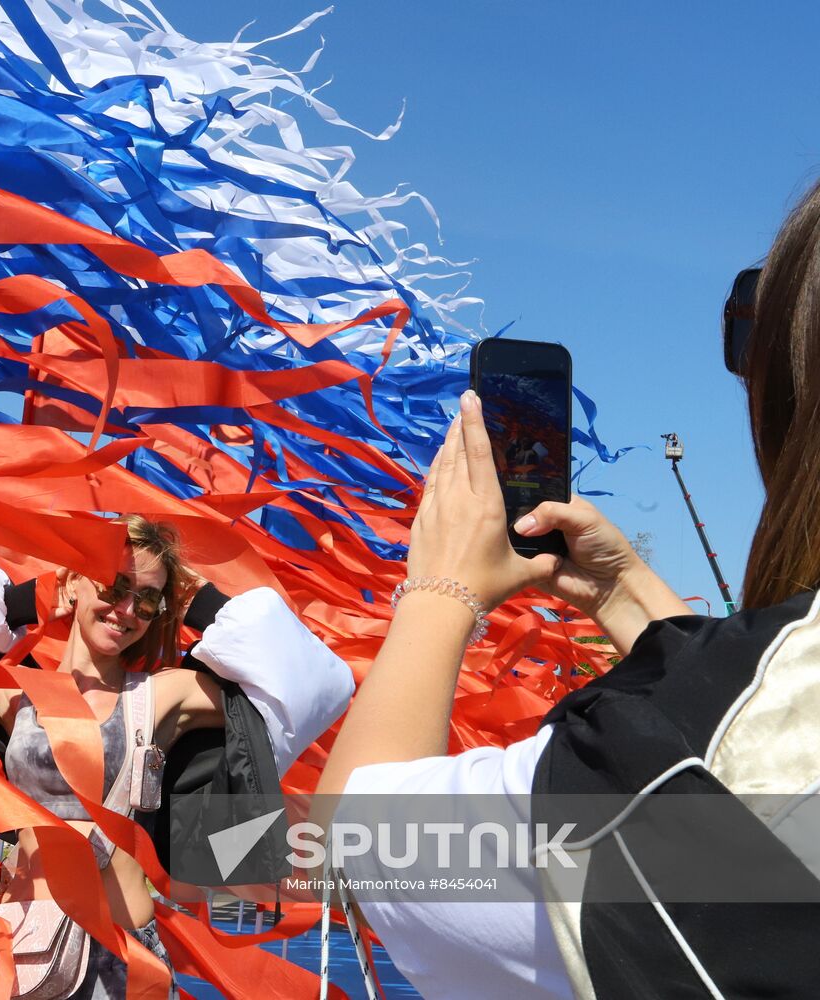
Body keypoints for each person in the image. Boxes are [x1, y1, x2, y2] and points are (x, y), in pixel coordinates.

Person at [316, 178, 820, 998]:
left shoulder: (632, 781)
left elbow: (357, 845)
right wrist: (623, 595)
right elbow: (750, 735)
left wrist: (441, 588)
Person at [0, 515, 352, 998]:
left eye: (147, 599)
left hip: (120, 962)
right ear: (73, 585)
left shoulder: (164, 697)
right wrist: (30, 598)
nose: (126, 609)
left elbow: (314, 680)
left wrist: (192, 598)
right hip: (21, 956)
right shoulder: (13, 695)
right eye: (114, 587)